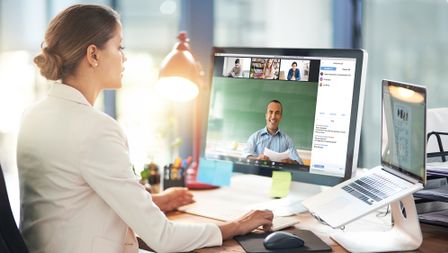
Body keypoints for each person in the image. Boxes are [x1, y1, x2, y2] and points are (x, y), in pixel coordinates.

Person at [17, 4, 273, 253]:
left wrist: (152, 202)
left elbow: (72, 199)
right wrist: (237, 225)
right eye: (119, 47)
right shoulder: (95, 129)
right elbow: (163, 238)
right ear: (93, 55)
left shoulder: (33, 116)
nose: (124, 57)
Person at [244, 100, 303, 165]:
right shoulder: (255, 137)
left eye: (277, 113)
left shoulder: (287, 140)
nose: (273, 116)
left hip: (278, 174)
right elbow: (245, 156)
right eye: (270, 112)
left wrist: (291, 162)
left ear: (281, 117)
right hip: (258, 173)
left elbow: (300, 163)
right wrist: (257, 159)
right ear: (266, 115)